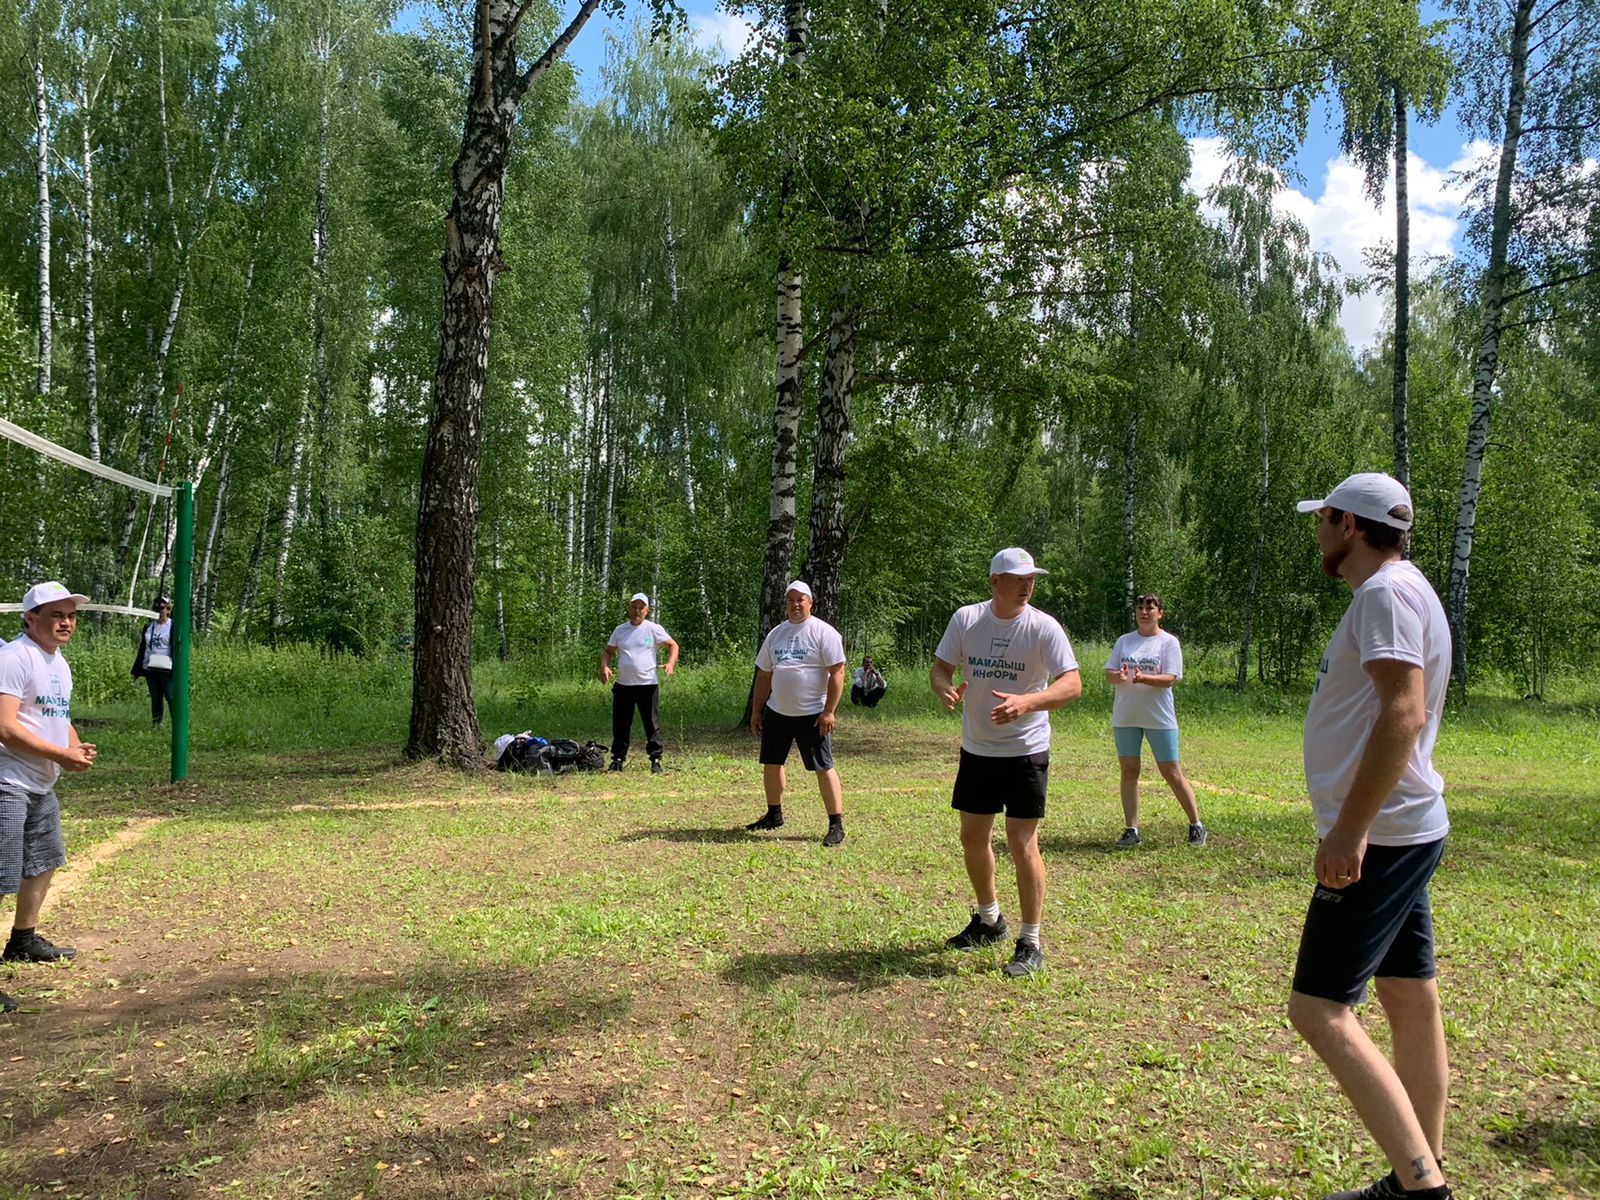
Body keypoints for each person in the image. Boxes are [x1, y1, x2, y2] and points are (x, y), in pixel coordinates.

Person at [1288, 474, 1454, 1200]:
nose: (1318, 531)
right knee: (1409, 998)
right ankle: (1417, 1172)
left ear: (1348, 525)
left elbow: (1403, 713)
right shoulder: (1405, 587)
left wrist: (1350, 832)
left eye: (1323, 519)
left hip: (1381, 836)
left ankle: (1424, 1191)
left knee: (1319, 1009)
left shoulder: (1385, 594)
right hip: (1404, 830)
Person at [929, 548, 1081, 977]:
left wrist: (1029, 702)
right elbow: (940, 668)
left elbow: (1072, 684)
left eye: (1031, 578)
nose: (1027, 584)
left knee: (1021, 842)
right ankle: (989, 919)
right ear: (995, 581)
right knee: (973, 837)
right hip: (978, 748)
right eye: (1018, 578)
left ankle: (1030, 941)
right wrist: (943, 688)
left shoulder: (1043, 627)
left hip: (1026, 749)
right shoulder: (966, 619)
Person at [0, 582, 97, 1015]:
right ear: (29, 618)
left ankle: (23, 940)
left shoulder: (59, 663)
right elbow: (4, 727)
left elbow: (57, 715)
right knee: (1, 875)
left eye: (71, 616)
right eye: (56, 615)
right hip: (7, 780)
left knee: (44, 859)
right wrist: (61, 753)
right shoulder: (12, 658)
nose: (66, 622)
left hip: (40, 781)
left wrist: (74, 747)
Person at [748, 581, 847, 847]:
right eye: (790, 600)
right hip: (778, 712)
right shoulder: (776, 634)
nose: (795, 604)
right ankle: (774, 815)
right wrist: (757, 711)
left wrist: (829, 711)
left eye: (800, 599)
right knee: (771, 763)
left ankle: (836, 824)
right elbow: (765, 674)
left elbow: (837, 672)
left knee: (823, 768)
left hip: (813, 714)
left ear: (810, 602)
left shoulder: (823, 632)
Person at [1105, 594, 1206, 848]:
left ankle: (1196, 825)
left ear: (1160, 613)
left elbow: (1171, 678)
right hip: (1126, 717)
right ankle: (1131, 830)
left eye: (1150, 608)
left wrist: (1145, 678)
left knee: (1171, 772)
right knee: (1129, 771)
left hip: (1159, 718)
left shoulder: (1168, 642)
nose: (1144, 612)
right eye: (1140, 608)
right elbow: (1109, 675)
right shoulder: (1124, 641)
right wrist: (1120, 675)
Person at [600, 593, 678, 775]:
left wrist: (670, 663)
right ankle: (617, 760)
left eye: (641, 608)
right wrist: (604, 666)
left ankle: (656, 760)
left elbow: (673, 645)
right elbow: (608, 651)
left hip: (647, 684)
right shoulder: (620, 630)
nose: (637, 611)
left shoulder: (653, 629)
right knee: (621, 724)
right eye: (634, 607)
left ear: (647, 611)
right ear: (629, 608)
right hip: (623, 686)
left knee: (651, 723)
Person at [132, 596, 176, 726]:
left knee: (170, 696)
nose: (160, 611)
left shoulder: (173, 626)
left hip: (167, 667)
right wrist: (137, 669)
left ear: (168, 610)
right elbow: (142, 648)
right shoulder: (149, 627)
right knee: (155, 697)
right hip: (149, 666)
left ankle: (177, 724)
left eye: (163, 608)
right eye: (157, 608)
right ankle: (156, 723)